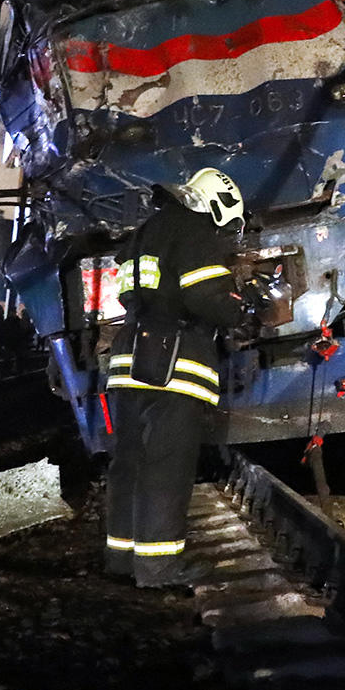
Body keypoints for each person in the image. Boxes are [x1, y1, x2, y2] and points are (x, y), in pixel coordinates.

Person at [105, 167, 246, 588]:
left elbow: (130, 294)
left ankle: (121, 560)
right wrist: (240, 308)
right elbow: (203, 295)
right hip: (175, 368)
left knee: (129, 465)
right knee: (166, 470)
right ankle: (159, 569)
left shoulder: (142, 233)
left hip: (129, 361)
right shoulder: (194, 229)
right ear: (216, 205)